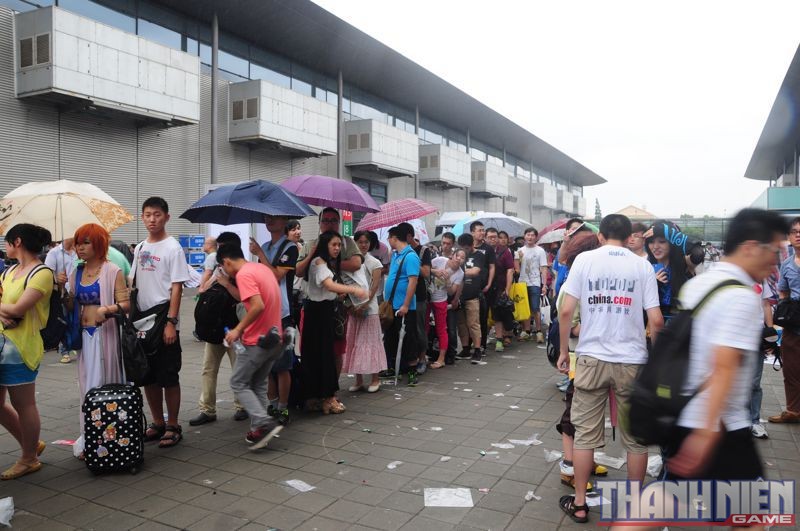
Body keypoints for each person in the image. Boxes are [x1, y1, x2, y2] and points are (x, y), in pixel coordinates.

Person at [620, 209, 789, 531]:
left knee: (678, 506)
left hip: (683, 414)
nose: (776, 262)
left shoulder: (704, 282)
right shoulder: (741, 296)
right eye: (774, 251)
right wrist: (705, 435)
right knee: (751, 518)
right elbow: (723, 367)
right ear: (752, 246)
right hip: (719, 426)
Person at [556, 214, 663, 524]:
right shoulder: (642, 265)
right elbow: (655, 320)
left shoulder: (585, 261)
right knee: (635, 439)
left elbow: (565, 310)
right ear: (630, 236)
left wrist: (564, 351)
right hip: (632, 360)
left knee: (585, 436)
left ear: (600, 236)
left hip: (590, 357)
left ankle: (579, 503)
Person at [66, 224, 130, 458]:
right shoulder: (77, 272)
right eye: (78, 243)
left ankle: (111, 438)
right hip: (84, 337)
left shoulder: (112, 270)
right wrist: (63, 291)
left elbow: (126, 305)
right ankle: (90, 438)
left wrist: (107, 309)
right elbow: (71, 306)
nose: (80, 248)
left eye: (85, 242)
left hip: (106, 336)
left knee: (105, 384)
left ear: (99, 244)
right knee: (87, 387)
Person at [130, 197, 189, 449]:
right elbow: (132, 282)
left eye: (156, 214)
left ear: (166, 216)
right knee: (148, 376)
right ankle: (157, 422)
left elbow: (177, 288)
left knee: (168, 375)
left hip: (163, 318)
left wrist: (171, 322)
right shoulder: (141, 247)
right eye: (147, 215)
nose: (152, 219)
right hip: (141, 320)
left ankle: (173, 424)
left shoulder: (173, 248)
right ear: (142, 217)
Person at [552, 232, 609, 491]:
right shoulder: (571, 286)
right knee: (573, 416)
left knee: (592, 414)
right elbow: (571, 326)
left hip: (596, 358)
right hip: (579, 359)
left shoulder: (594, 281)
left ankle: (587, 460)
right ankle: (569, 466)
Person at [217, 244, 284, 449]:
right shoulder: (261, 269)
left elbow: (257, 306)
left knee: (238, 382)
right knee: (257, 384)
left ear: (227, 261)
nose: (225, 271)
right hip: (274, 337)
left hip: (258, 340)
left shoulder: (244, 274)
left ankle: (263, 422)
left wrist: (238, 330)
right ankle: (260, 432)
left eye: (223, 267)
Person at [0, 223, 53, 480]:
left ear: (17, 241)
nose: (5, 245)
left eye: (7, 241)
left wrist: (7, 310)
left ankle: (29, 458)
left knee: (24, 403)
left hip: (22, 347)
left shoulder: (41, 273)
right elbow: (6, 308)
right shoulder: (9, 272)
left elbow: (18, 309)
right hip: (1, 343)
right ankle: (30, 443)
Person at [303, 231, 367, 413]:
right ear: (325, 245)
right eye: (334, 245)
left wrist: (340, 293)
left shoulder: (324, 264)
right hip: (319, 315)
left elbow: (328, 289)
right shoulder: (318, 263)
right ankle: (327, 399)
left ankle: (315, 397)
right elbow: (329, 285)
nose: (338, 248)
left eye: (339, 245)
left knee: (319, 357)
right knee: (323, 357)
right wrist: (354, 289)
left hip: (320, 313)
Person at [189, 231, 247, 426]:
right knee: (208, 369)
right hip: (215, 328)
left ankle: (242, 406)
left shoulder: (243, 271)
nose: (219, 251)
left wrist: (226, 283)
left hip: (235, 329)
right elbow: (203, 290)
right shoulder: (218, 266)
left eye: (223, 247)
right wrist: (213, 280)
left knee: (239, 368)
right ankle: (207, 409)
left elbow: (244, 298)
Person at [249, 215, 300, 426]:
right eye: (267, 218)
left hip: (283, 312)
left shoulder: (290, 247)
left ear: (284, 221)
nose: (269, 221)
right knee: (268, 365)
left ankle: (283, 407)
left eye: (274, 218)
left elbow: (276, 276)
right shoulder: (267, 245)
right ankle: (271, 403)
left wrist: (259, 254)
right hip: (264, 311)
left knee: (283, 364)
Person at [343, 231, 387, 391]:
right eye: (360, 242)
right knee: (354, 342)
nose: (363, 245)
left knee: (371, 342)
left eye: (366, 242)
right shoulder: (349, 261)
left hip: (370, 308)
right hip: (353, 308)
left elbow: (374, 287)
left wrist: (364, 304)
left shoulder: (374, 262)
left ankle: (375, 379)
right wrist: (351, 305)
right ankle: (358, 379)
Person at [768, 216, 800, 424]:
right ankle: (793, 410)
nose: (798, 235)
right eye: (794, 232)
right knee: (791, 372)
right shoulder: (787, 265)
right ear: (789, 237)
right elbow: (783, 295)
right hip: (794, 329)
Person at [381, 224, 421, 383]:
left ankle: (412, 372)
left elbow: (413, 282)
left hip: (405, 307)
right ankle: (392, 367)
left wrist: (405, 304)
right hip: (392, 305)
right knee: (390, 337)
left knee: (409, 339)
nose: (388, 240)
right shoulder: (396, 254)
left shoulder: (410, 256)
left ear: (395, 238)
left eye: (389, 237)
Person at [398, 223, 432, 374]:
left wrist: (412, 260)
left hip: (418, 297)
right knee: (406, 330)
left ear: (410, 237)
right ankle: (408, 360)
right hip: (403, 297)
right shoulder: (398, 252)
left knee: (419, 329)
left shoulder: (423, 251)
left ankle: (422, 359)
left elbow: (426, 273)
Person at [429, 246, 465, 368]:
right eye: (457, 256)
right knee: (424, 327)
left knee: (442, 329)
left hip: (441, 299)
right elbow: (426, 269)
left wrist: (448, 281)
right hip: (428, 296)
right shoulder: (440, 260)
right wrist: (435, 272)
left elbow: (451, 292)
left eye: (462, 258)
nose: (459, 259)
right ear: (452, 255)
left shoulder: (460, 273)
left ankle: (441, 358)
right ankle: (423, 355)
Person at [45, 238, 77, 363]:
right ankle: (65, 350)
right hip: (62, 294)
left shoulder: (78, 252)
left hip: (76, 292)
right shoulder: (54, 253)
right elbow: (46, 274)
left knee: (74, 321)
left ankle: (74, 344)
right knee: (64, 321)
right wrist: (57, 278)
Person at [455, 234, 486, 364]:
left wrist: (459, 271)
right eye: (462, 248)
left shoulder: (479, 255)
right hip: (459, 295)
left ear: (471, 245)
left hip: (472, 295)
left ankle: (477, 349)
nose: (464, 251)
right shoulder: (458, 255)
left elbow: (475, 271)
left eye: (466, 248)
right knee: (461, 324)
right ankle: (466, 348)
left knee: (473, 324)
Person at [515, 227, 549, 343]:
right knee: (525, 308)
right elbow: (517, 270)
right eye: (528, 235)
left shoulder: (540, 251)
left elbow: (544, 268)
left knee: (535, 308)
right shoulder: (520, 251)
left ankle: (539, 331)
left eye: (532, 235)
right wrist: (517, 260)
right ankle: (527, 331)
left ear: (536, 237)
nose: (530, 237)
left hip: (535, 282)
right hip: (522, 282)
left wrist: (544, 285)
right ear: (524, 236)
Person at [470, 221, 495, 354]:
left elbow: (492, 267)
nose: (482, 232)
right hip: (469, 287)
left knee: (482, 317)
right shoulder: (467, 248)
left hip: (484, 288)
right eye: (479, 230)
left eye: (483, 230)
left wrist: (489, 284)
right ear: (472, 232)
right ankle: (468, 344)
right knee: (469, 318)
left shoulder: (488, 248)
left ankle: (482, 345)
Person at [490, 230, 515, 351]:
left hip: (502, 286)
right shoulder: (488, 250)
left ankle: (506, 335)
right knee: (496, 314)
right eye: (496, 237)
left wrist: (507, 288)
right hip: (491, 287)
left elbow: (510, 270)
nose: (498, 239)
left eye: (498, 237)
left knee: (504, 311)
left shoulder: (506, 252)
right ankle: (499, 338)